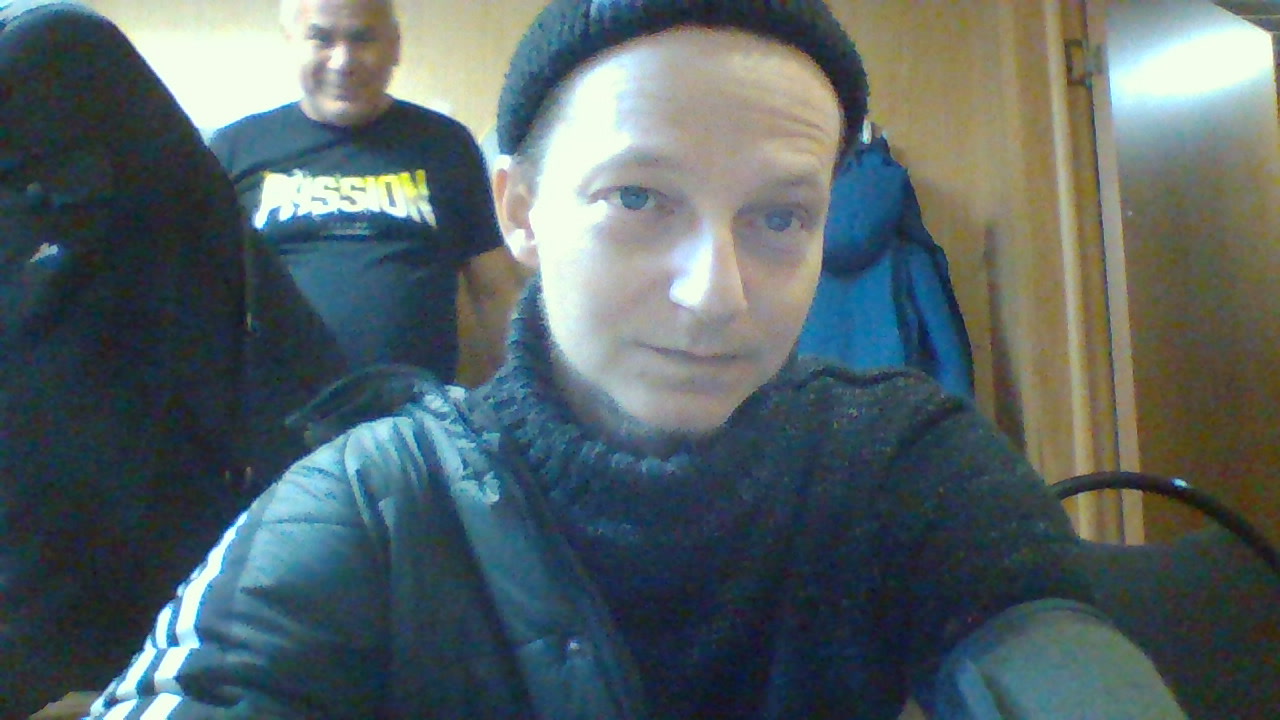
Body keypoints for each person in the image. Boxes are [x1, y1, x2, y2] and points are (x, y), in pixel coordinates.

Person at [87, 1, 1188, 718]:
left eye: (779, 218)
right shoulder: (373, 503)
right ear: (520, 210)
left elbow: (1052, 656)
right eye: (637, 198)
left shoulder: (902, 460)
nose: (716, 294)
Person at [208, 0, 521, 383]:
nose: (343, 61)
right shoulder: (236, 149)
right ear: (292, 43)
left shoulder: (446, 144)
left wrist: (529, 394)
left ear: (394, 46)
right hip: (280, 411)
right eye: (321, 38)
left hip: (413, 411)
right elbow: (198, 293)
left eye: (362, 38)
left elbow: (493, 288)